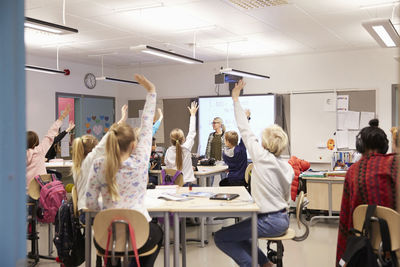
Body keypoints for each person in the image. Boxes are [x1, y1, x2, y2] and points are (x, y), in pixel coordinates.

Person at [214, 80, 294, 267]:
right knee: (241, 236)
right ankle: (267, 264)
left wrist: (235, 98)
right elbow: (284, 196)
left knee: (221, 237)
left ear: (264, 144)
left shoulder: (261, 156)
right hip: (282, 218)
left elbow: (244, 128)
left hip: (268, 220)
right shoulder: (286, 166)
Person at [86, 74, 162, 267]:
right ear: (134, 145)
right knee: (157, 234)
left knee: (112, 244)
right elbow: (146, 127)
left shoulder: (98, 164)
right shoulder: (140, 162)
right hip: (139, 234)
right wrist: (151, 91)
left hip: (107, 236)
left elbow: (90, 203)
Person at [336, 119, 398, 265]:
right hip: (397, 242)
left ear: (360, 146)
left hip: (365, 244)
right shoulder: (394, 164)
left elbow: (346, 217)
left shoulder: (353, 171)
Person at [71, 105, 128, 211]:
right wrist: (122, 119)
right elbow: (108, 137)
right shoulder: (89, 161)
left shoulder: (77, 165)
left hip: (85, 209)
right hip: (90, 211)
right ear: (92, 150)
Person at [26, 105, 70, 189]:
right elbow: (51, 133)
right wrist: (62, 116)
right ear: (36, 142)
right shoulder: (40, 150)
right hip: (41, 192)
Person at [164, 101, 199, 186]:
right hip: (187, 184)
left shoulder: (168, 151)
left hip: (173, 184)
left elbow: (167, 165)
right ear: (183, 139)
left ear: (171, 140)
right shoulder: (186, 148)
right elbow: (192, 133)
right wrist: (193, 115)